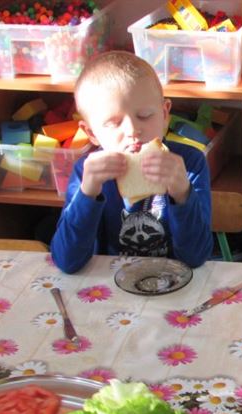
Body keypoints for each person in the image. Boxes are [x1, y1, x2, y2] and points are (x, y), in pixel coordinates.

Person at [51, 51, 213, 273]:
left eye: (145, 115)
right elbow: (67, 261)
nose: (132, 130)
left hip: (175, 280)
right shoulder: (86, 173)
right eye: (113, 123)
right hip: (109, 283)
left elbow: (196, 256)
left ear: (165, 114)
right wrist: (87, 193)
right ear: (91, 133)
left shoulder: (189, 164)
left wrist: (182, 193)